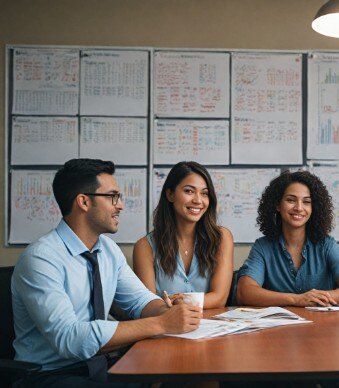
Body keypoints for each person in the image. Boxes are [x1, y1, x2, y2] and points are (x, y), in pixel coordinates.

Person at [11, 159, 201, 388]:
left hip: (100, 366)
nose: (120, 205)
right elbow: (69, 339)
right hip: (50, 375)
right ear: (83, 201)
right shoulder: (41, 258)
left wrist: (168, 310)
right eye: (112, 197)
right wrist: (161, 323)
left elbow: (140, 301)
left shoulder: (108, 250)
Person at [237, 170, 339, 307]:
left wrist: (315, 298)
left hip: (322, 325)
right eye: (291, 200)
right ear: (277, 205)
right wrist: (297, 299)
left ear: (313, 208)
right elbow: (244, 293)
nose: (299, 208)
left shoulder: (327, 245)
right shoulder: (263, 247)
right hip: (281, 326)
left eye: (306, 202)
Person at [133, 161, 233, 309]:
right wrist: (195, 301)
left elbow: (219, 298)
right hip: (169, 328)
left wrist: (183, 301)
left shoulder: (222, 238)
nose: (198, 200)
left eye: (204, 193)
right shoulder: (144, 247)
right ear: (170, 194)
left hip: (214, 329)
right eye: (189, 191)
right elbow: (148, 306)